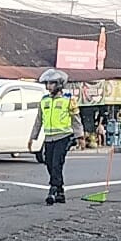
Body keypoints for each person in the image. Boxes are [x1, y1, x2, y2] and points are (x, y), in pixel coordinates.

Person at [28, 68, 84, 205]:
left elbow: (76, 120)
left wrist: (80, 137)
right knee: (48, 163)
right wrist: (33, 137)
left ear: (59, 84)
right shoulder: (44, 101)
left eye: (51, 83)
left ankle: (53, 190)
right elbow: (38, 120)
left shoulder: (68, 100)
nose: (48, 86)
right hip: (49, 138)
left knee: (56, 164)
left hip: (63, 137)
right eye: (47, 83)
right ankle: (60, 192)